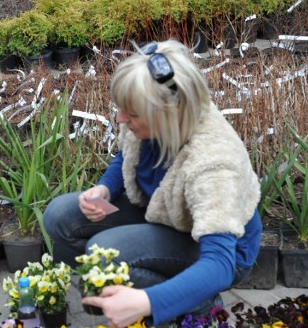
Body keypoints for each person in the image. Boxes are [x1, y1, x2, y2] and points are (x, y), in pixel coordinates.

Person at [43, 39, 262, 327]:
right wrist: (105, 188)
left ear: (167, 115)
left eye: (131, 114)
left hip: (221, 251)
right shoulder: (160, 117)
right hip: (165, 215)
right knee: (59, 216)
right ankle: (143, 293)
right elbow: (127, 156)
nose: (120, 119)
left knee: (106, 253)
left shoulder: (214, 162)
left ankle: (198, 305)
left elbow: (220, 264)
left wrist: (147, 302)